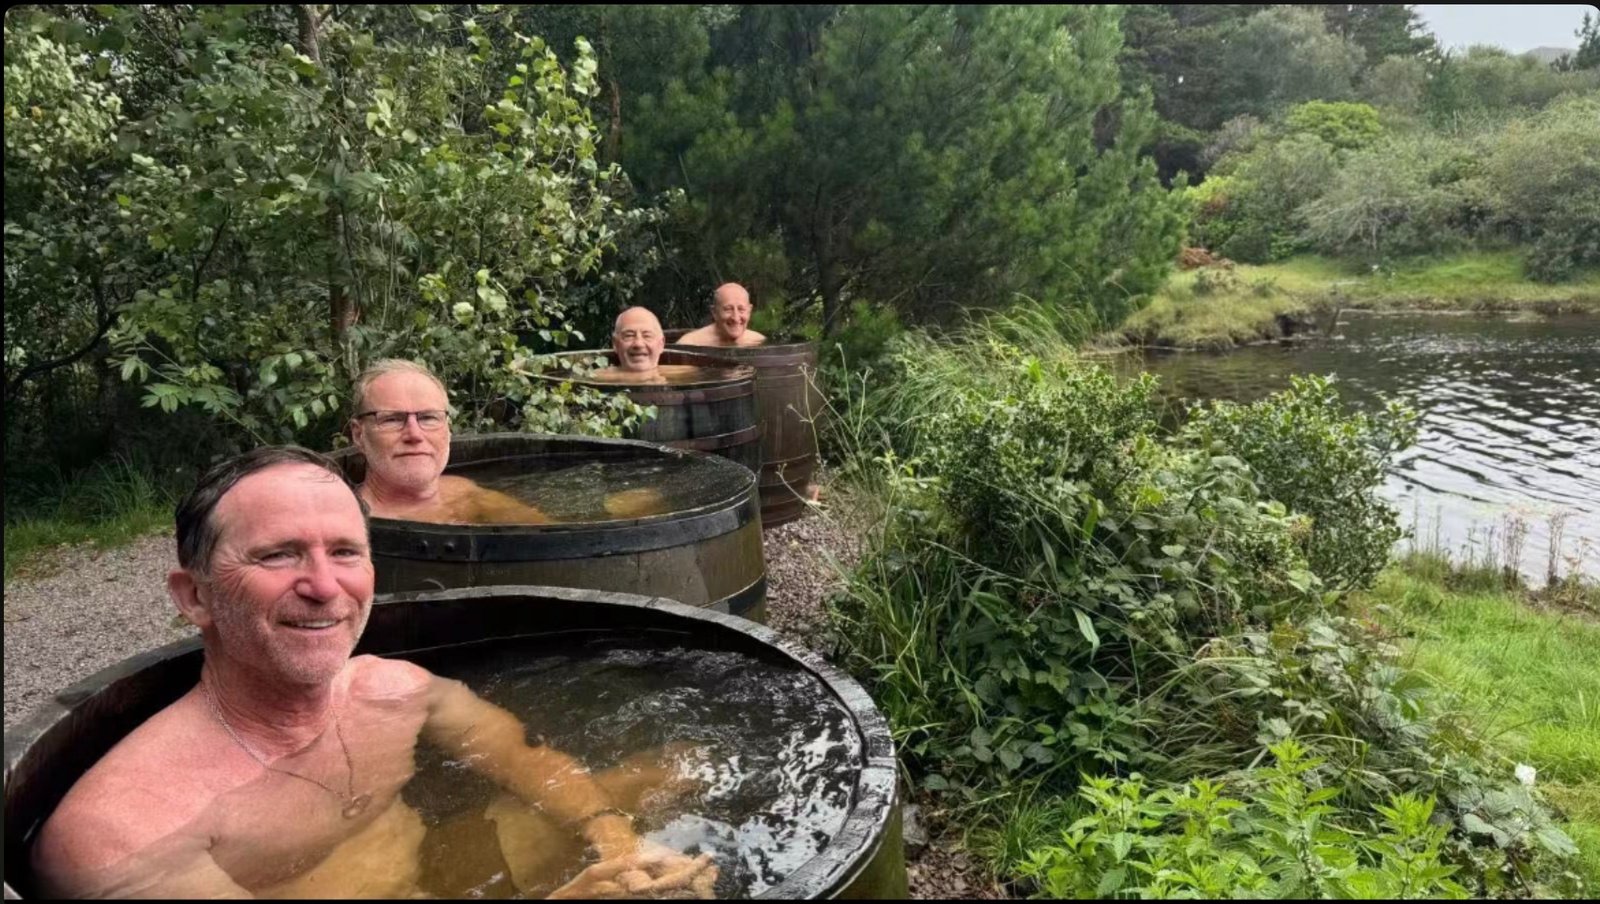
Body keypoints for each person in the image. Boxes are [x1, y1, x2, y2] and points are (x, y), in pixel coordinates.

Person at [31, 446, 718, 899]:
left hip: (440, 869)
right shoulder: (124, 831)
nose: (324, 587)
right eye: (278, 555)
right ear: (194, 597)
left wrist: (617, 843)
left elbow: (524, 758)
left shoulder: (393, 691)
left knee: (676, 768)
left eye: (344, 553)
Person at [590, 307, 669, 384]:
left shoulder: (674, 375)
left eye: (647, 336)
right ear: (615, 344)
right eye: (629, 336)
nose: (638, 344)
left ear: (661, 344)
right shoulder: (593, 378)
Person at [677, 283, 766, 348]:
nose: (735, 318)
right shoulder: (690, 344)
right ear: (714, 312)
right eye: (728, 309)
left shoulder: (759, 341)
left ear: (749, 311)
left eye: (741, 309)